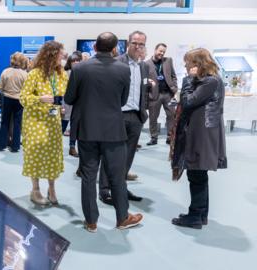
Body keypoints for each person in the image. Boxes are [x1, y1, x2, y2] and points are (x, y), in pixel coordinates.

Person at [65, 32, 143, 232]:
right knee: (116, 176)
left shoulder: (80, 68)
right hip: (114, 131)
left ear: (95, 47)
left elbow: (70, 98)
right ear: (115, 48)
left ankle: (91, 221)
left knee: (88, 177)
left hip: (87, 130)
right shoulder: (124, 69)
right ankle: (122, 218)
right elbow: (123, 101)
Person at [171, 48, 227, 229]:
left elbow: (188, 102)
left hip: (201, 134)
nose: (185, 65)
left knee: (196, 174)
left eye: (188, 62)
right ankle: (200, 214)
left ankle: (195, 216)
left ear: (198, 64)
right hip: (202, 132)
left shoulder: (210, 81)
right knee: (198, 175)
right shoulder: (210, 80)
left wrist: (187, 81)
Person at [98, 30, 154, 205]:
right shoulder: (115, 63)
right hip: (117, 116)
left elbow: (144, 91)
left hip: (136, 117)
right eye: (134, 43)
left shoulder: (144, 66)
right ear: (127, 44)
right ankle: (105, 190)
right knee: (111, 154)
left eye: (141, 44)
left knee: (128, 156)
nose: (138, 47)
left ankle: (120, 188)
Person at [20, 40, 67, 206]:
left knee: (53, 156)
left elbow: (65, 95)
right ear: (52, 55)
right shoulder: (34, 74)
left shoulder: (61, 74)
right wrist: (39, 98)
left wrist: (62, 106)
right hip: (35, 122)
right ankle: (35, 189)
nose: (63, 57)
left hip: (53, 122)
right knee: (36, 154)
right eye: (61, 54)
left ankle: (52, 188)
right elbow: (23, 98)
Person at [146, 43, 178, 145]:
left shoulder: (168, 61)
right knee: (153, 117)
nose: (162, 53)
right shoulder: (146, 64)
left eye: (163, 52)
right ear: (155, 50)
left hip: (169, 94)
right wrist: (148, 84)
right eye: (160, 51)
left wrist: (175, 87)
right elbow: (143, 80)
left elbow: (173, 75)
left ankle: (170, 136)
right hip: (154, 95)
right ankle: (154, 137)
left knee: (172, 115)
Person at [0, 52, 28, 152]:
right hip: (19, 100)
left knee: (5, 121)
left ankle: (1, 145)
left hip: (7, 99)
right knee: (17, 123)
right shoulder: (25, 74)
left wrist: (5, 92)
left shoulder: (5, 71)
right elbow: (27, 89)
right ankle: (15, 146)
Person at [62, 52, 82, 158]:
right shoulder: (65, 73)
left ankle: (72, 147)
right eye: (74, 61)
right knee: (62, 126)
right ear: (69, 62)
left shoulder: (83, 72)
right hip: (66, 103)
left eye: (78, 60)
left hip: (78, 104)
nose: (76, 62)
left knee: (74, 127)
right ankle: (56, 147)